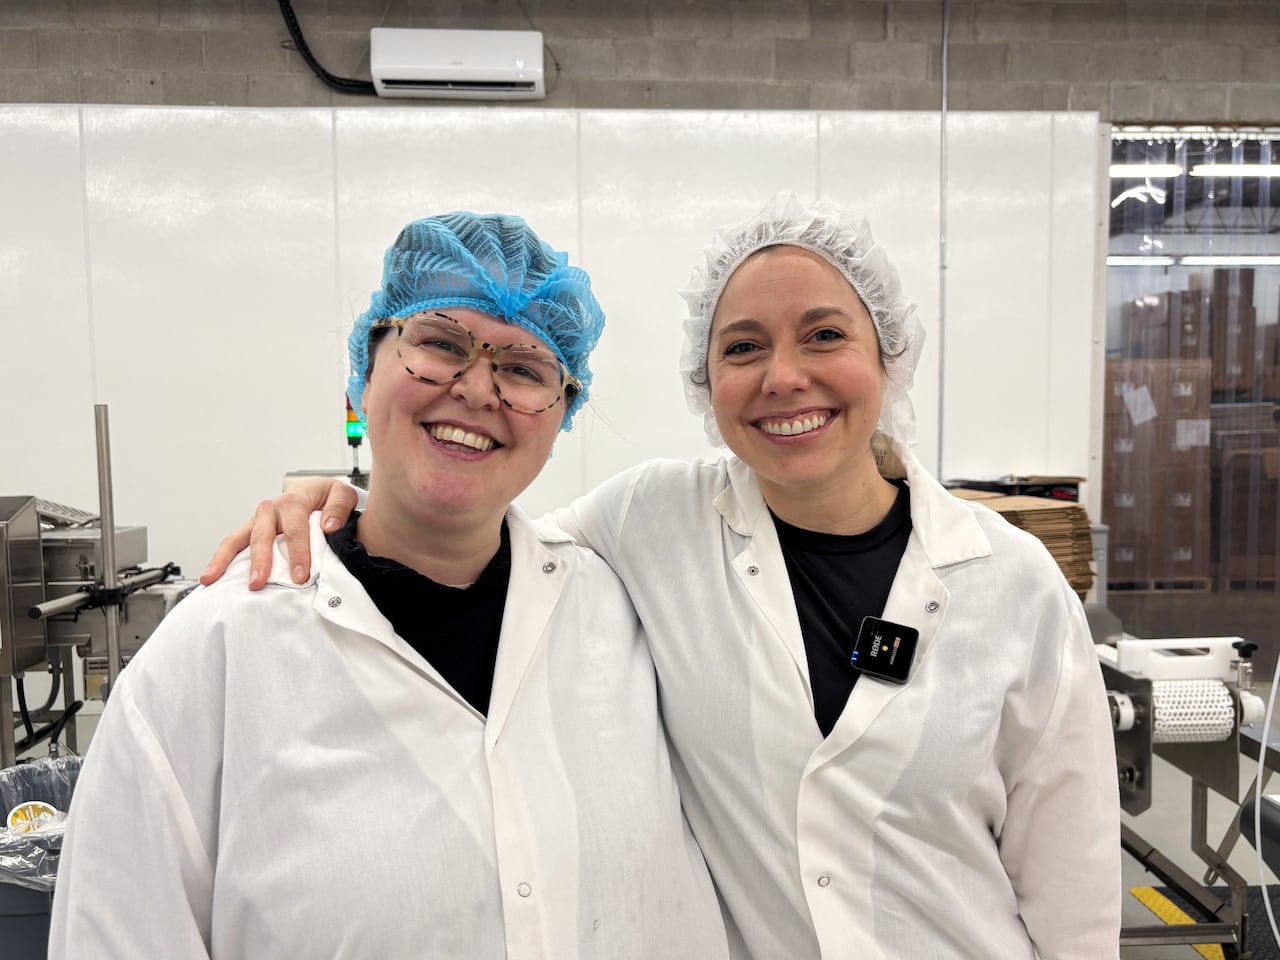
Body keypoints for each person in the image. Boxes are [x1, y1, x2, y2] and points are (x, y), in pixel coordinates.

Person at [203, 194, 1122, 959]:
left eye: (825, 335)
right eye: (743, 346)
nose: (783, 376)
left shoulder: (1013, 583)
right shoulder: (650, 520)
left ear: (889, 355)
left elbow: (1073, 893)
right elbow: (473, 526)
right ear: (704, 378)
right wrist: (341, 501)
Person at [49, 212, 730, 959]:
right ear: (362, 378)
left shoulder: (620, 608)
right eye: (440, 344)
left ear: (561, 414)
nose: (476, 389)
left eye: (524, 369)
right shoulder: (214, 651)